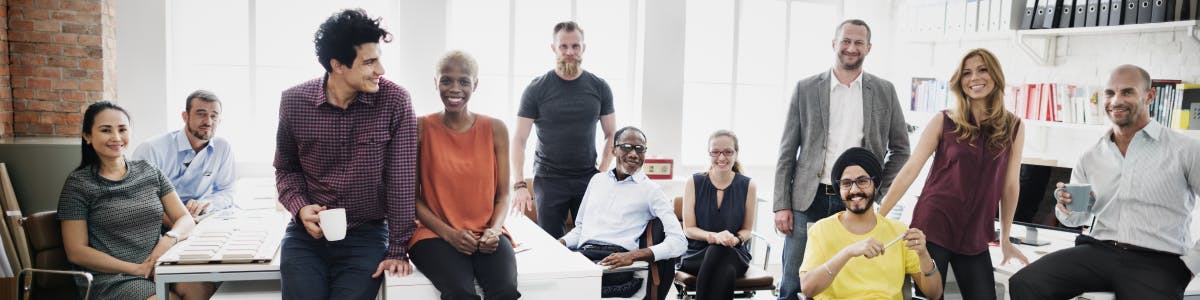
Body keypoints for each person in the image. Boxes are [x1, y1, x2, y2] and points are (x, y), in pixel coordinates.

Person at [1008, 65, 1200, 299]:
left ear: (1149, 96)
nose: (1116, 100)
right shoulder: (1090, 155)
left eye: (1127, 92)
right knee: (1026, 283)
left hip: (1158, 260)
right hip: (1098, 251)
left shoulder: (1186, 150)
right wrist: (1066, 207)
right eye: (1110, 93)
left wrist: (1191, 265)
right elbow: (1076, 219)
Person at [274, 8, 416, 299]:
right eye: (369, 62)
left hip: (367, 234)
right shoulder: (293, 102)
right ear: (337, 65)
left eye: (379, 59)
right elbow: (286, 169)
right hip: (307, 236)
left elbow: (401, 180)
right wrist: (301, 208)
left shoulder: (395, 101)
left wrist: (398, 248)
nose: (381, 70)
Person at [773, 19, 910, 300]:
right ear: (834, 43)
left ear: (868, 48)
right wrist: (781, 204)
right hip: (806, 201)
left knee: (847, 276)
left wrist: (878, 189)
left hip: (857, 199)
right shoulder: (806, 88)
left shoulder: (884, 91)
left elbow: (901, 149)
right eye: (846, 41)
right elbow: (787, 151)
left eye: (859, 42)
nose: (851, 48)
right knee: (793, 282)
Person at [876, 48, 1028, 299]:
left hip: (975, 235)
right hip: (933, 226)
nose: (974, 78)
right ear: (960, 82)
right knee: (931, 296)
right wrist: (879, 217)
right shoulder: (944, 120)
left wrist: (1006, 238)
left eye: (982, 70)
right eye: (966, 73)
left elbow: (1010, 186)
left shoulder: (1014, 127)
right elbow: (911, 169)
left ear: (995, 76)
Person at [59, 101, 215, 299]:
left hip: (159, 263)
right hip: (113, 277)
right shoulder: (78, 184)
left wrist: (166, 243)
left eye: (122, 129)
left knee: (203, 288)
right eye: (106, 130)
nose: (116, 137)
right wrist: (136, 269)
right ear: (87, 136)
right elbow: (76, 252)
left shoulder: (148, 170)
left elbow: (185, 219)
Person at [408, 50, 520, 300]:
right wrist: (450, 234)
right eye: (446, 80)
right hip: (434, 234)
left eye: (464, 81)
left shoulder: (496, 129)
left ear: (475, 84)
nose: (454, 88)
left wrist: (494, 230)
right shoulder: (420, 128)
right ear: (435, 82)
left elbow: (503, 194)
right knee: (460, 293)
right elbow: (412, 199)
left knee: (505, 291)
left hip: (486, 232)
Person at [511, 20, 617, 239]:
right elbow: (519, 139)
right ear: (554, 48)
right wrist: (519, 184)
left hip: (587, 178)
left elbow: (611, 134)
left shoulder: (599, 87)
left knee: (590, 241)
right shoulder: (536, 89)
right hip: (549, 180)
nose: (570, 52)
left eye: (575, 46)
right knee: (551, 244)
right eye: (563, 46)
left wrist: (602, 173)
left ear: (583, 48)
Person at [559, 126, 686, 299]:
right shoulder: (597, 181)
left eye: (639, 149)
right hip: (584, 255)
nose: (634, 153)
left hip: (618, 262)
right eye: (627, 147)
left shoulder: (652, 191)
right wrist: (561, 243)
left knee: (573, 285)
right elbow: (581, 229)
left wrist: (633, 256)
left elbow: (679, 242)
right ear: (613, 149)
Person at [799, 147, 942, 299]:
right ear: (839, 189)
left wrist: (923, 254)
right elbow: (808, 289)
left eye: (862, 181)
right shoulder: (822, 230)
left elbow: (934, 293)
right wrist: (848, 252)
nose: (854, 189)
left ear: (875, 185)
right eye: (846, 183)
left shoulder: (899, 232)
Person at [133, 90, 237, 222]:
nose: (208, 121)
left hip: (198, 218)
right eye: (201, 114)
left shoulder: (222, 147)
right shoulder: (151, 148)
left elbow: (227, 190)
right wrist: (181, 224)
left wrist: (206, 204)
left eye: (214, 116)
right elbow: (139, 199)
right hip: (158, 222)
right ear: (185, 116)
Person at [678, 130, 757, 300]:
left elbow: (747, 230)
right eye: (715, 152)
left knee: (721, 254)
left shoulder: (748, 185)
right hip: (696, 254)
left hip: (734, 252)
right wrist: (713, 237)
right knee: (723, 264)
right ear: (709, 153)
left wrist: (735, 240)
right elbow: (689, 229)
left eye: (728, 152)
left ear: (736, 153)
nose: (721, 158)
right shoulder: (693, 182)